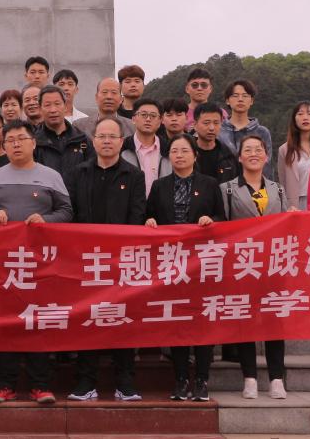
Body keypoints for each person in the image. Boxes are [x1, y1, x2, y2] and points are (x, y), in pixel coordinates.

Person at [0, 120, 72, 405]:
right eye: (11, 140)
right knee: (7, 322)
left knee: (37, 321)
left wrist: (47, 220)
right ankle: (5, 384)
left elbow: (67, 211)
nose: (16, 144)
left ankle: (40, 385)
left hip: (40, 263)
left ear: (33, 143)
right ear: (4, 146)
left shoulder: (51, 176)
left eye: (21, 139)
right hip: (4, 263)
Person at [64, 117, 145, 402]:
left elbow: (137, 215)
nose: (107, 141)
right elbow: (71, 213)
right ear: (94, 141)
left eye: (112, 136)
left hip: (122, 261)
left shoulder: (134, 175)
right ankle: (86, 380)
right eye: (102, 136)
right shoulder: (78, 173)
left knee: (122, 318)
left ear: (122, 142)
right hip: (86, 261)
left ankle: (125, 380)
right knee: (88, 318)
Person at [145, 134, 225, 403]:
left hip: (202, 263)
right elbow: (149, 214)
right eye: (174, 151)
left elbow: (222, 217)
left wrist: (210, 220)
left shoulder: (209, 184)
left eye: (184, 151)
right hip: (172, 263)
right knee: (177, 322)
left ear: (195, 155)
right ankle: (180, 379)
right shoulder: (160, 186)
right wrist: (150, 222)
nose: (179, 155)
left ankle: (202, 379)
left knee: (202, 322)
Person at [219, 135, 289, 401]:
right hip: (242, 264)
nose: (253, 154)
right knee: (245, 321)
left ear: (266, 156)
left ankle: (276, 378)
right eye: (247, 150)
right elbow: (222, 227)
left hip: (273, 264)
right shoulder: (227, 189)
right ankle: (249, 377)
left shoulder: (278, 190)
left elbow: (286, 224)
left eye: (258, 150)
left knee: (274, 321)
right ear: (239, 157)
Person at [33, 86, 93, 180]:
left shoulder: (81, 139)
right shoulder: (33, 142)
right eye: (47, 105)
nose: (53, 110)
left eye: (57, 104)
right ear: (40, 109)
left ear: (65, 106)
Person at [219, 79, 274, 178]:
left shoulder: (262, 132)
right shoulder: (219, 132)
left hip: (255, 186)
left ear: (251, 101)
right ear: (227, 100)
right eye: (235, 96)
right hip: (223, 185)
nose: (240, 99)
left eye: (245, 96)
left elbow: (267, 165)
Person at [277, 101, 310, 210]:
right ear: (294, 119)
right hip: (296, 204)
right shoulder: (285, 150)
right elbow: (283, 183)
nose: (305, 117)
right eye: (300, 114)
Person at [121, 98, 172, 197]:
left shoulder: (169, 150)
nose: (148, 119)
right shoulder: (122, 148)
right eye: (143, 115)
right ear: (133, 119)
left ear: (160, 121)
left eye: (153, 116)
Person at [192, 103, 238, 184]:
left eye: (216, 123)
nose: (211, 128)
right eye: (206, 123)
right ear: (195, 125)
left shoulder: (229, 156)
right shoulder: (187, 153)